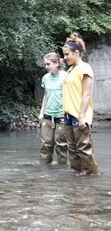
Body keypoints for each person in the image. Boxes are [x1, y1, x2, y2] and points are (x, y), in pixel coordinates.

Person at [62, 33, 99, 175]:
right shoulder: (71, 70)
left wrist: (81, 116)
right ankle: (77, 177)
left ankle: (93, 178)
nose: (65, 58)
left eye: (67, 55)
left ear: (77, 53)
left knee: (84, 149)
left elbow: (87, 94)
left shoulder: (85, 68)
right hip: (68, 115)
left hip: (79, 115)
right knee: (72, 150)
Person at [38, 52, 68, 165]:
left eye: (48, 64)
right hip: (47, 116)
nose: (46, 67)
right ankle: (44, 170)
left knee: (61, 145)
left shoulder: (65, 76)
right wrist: (41, 113)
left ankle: (62, 171)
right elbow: (46, 95)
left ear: (56, 63)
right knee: (46, 144)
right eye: (45, 64)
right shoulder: (45, 78)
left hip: (62, 115)